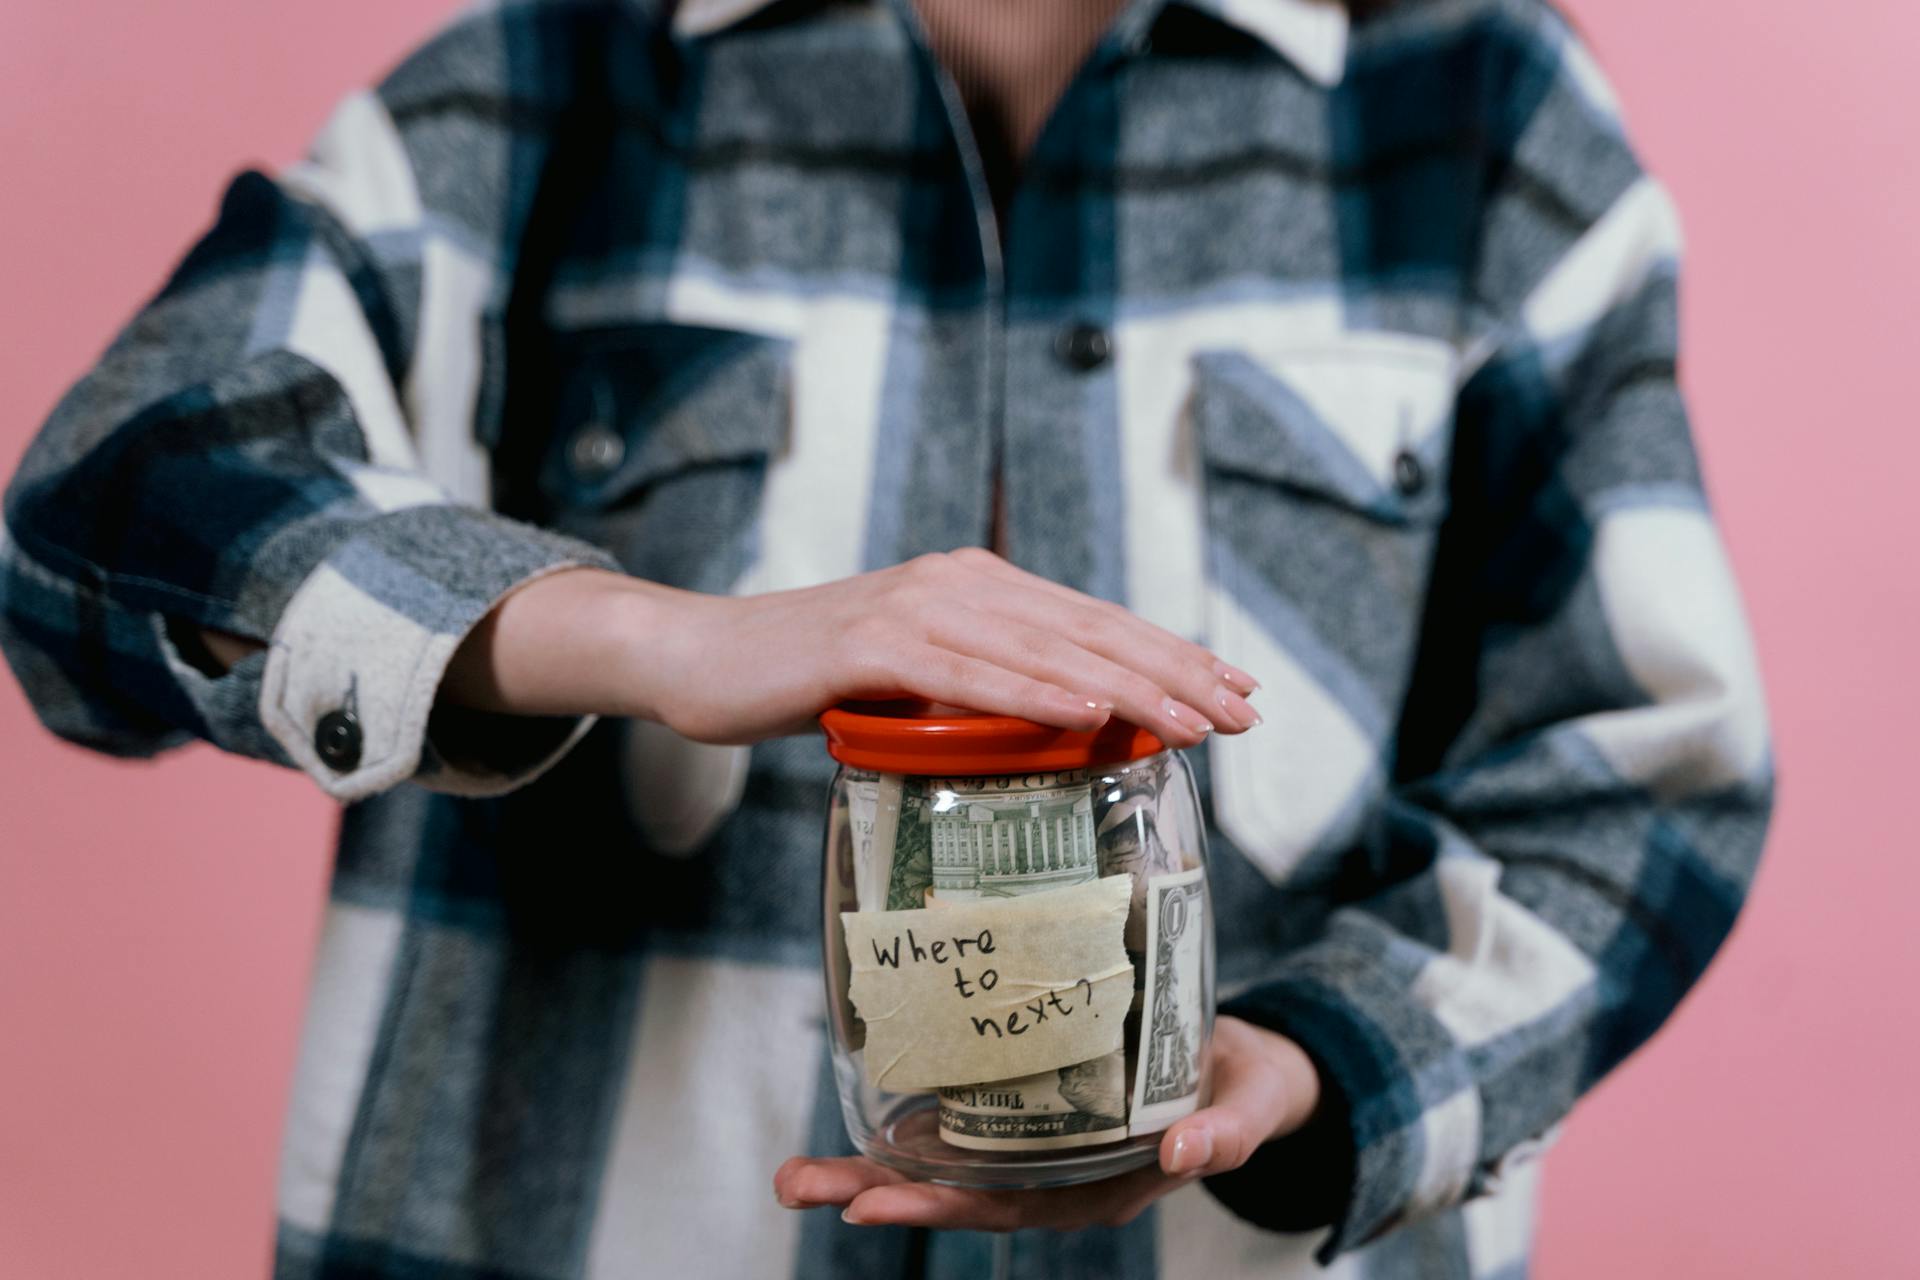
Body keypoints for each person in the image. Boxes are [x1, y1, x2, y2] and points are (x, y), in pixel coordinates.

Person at [0, 0, 1774, 1275]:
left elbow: (1642, 777)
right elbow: (106, 504)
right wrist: (638, 636)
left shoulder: (1482, 112)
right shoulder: (544, 80)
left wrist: (1323, 1066)